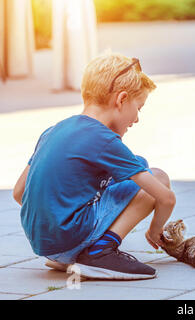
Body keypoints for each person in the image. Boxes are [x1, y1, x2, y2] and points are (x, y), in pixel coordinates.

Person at [13, 52, 176, 280]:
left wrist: (54, 217)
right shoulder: (104, 139)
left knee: (137, 165)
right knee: (156, 176)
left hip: (43, 244)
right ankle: (101, 252)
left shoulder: (53, 131)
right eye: (139, 108)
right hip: (70, 238)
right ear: (121, 100)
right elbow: (166, 198)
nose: (137, 119)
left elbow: (19, 192)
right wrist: (155, 230)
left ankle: (70, 256)